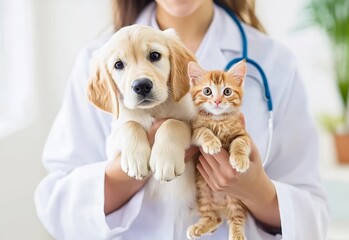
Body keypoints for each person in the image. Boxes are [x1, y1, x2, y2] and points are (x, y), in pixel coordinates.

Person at [34, 0, 329, 239]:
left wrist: (255, 189)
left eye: (154, 56)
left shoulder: (276, 62)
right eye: (121, 65)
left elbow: (312, 220)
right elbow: (56, 207)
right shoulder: (97, 59)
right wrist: (128, 170)